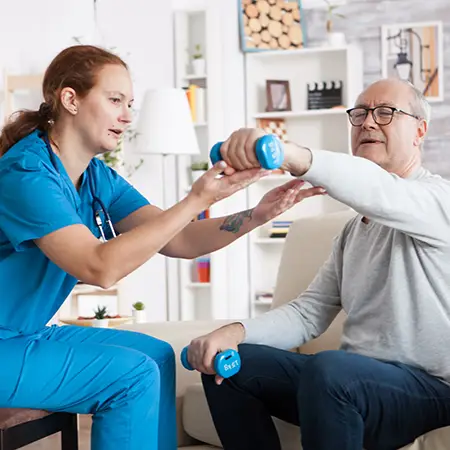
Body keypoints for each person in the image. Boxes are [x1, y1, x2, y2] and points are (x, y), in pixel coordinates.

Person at [0, 45, 324, 450]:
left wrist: (257, 215)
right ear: (70, 99)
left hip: (22, 336)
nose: (127, 115)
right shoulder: (26, 173)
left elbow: (182, 240)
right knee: (130, 375)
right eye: (115, 100)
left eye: (130, 103)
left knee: (156, 355)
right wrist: (195, 199)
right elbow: (99, 268)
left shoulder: (96, 177)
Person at [186, 78, 450, 450]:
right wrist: (235, 332)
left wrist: (289, 153)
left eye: (386, 113)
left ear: (420, 131)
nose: (368, 123)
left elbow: (380, 191)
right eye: (359, 114)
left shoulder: (439, 201)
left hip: (430, 389)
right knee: (230, 365)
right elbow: (308, 313)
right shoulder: (352, 231)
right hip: (350, 384)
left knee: (331, 370)